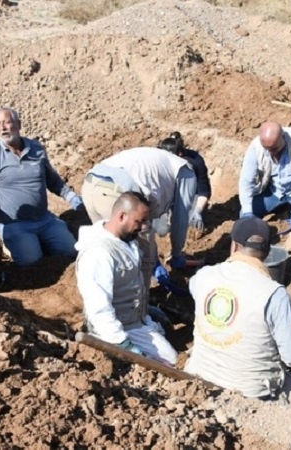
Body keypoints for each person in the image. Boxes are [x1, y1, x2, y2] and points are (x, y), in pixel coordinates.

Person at [185, 216, 291, 415]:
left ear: (234, 246)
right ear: (268, 252)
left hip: (197, 383)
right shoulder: (274, 294)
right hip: (250, 396)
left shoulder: (202, 277)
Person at [75, 191, 178, 366]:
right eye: (140, 221)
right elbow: (98, 308)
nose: (144, 227)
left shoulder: (126, 240)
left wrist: (145, 310)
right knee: (171, 362)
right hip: (115, 329)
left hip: (135, 321)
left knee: (172, 357)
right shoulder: (99, 254)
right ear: (122, 216)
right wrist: (123, 344)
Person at [80, 146, 199, 294]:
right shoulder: (187, 173)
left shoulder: (163, 161)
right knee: (142, 257)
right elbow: (180, 219)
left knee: (108, 248)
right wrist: (176, 256)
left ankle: (111, 298)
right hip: (118, 194)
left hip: (90, 184)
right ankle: (140, 308)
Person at [0, 107, 84, 267]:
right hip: (15, 224)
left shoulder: (36, 149)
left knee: (71, 252)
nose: (3, 128)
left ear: (18, 124)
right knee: (31, 263)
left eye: (7, 122)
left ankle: (39, 242)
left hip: (44, 219)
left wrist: (72, 197)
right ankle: (11, 242)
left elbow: (52, 180)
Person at [157, 131, 211, 233]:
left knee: (192, 224)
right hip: (168, 195)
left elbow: (203, 191)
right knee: (162, 230)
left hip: (190, 195)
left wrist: (198, 211)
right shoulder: (159, 162)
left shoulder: (195, 161)